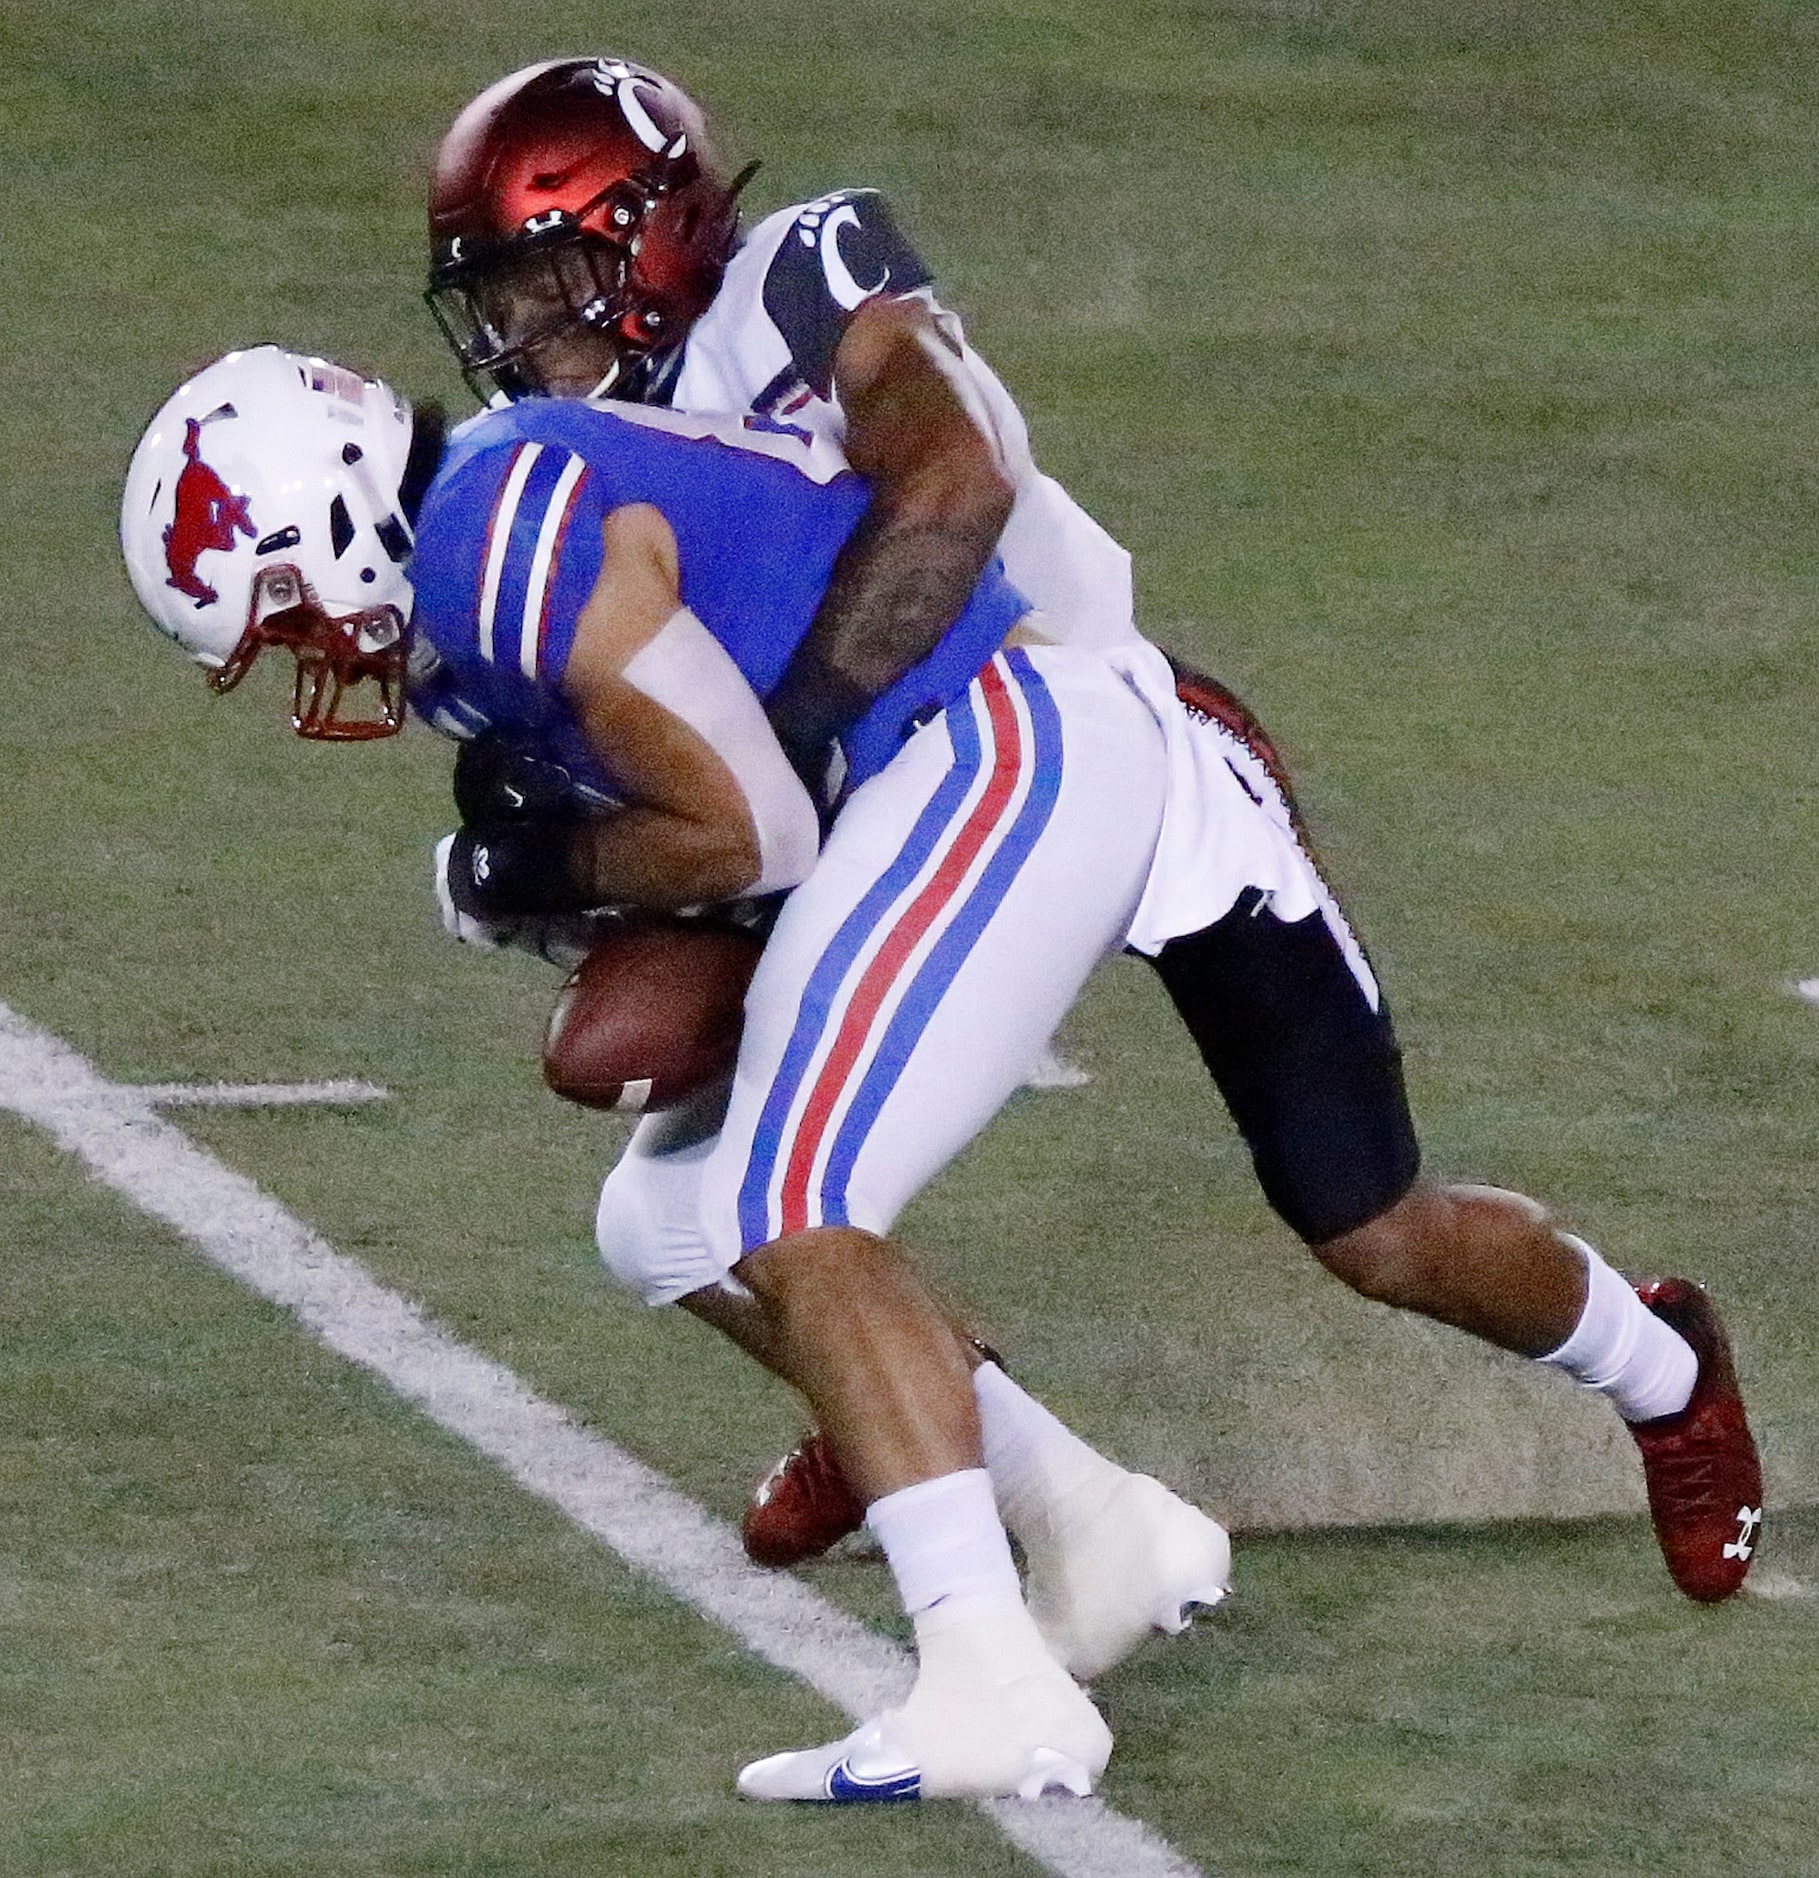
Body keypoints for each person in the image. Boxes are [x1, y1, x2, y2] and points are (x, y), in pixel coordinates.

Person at [418, 56, 1767, 1612]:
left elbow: (953, 474)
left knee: (1373, 1223)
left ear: (657, 229)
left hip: (1081, 751)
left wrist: (792, 748)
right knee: (697, 1191)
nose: (530, 331)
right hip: (889, 810)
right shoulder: (558, 468)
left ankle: (1663, 1369)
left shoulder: (804, 278)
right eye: (501, 298)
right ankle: (910, 1408)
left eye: (555, 276)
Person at [122, 345, 1249, 1800]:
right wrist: (561, 887)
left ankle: (990, 1675)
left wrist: (545, 864)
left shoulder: (486, 534)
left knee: (790, 1191)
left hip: (999, 744)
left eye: (281, 610)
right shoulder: (473, 571)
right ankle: (1094, 1523)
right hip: (920, 782)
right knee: (663, 1218)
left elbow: (752, 832)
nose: (304, 655)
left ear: (327, 515)